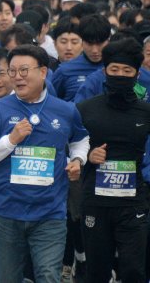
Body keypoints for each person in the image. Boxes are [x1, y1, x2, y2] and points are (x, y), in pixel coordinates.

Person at [0, 45, 89, 283]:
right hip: (6, 212)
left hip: (50, 212)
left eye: (24, 70)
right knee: (8, 278)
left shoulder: (65, 110)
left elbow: (80, 139)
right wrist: (11, 140)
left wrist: (78, 159)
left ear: (44, 72)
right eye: (12, 71)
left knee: (48, 276)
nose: (18, 77)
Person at [77, 39, 150, 283]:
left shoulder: (145, 112)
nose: (120, 75)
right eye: (114, 70)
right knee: (97, 272)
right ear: (104, 71)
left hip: (133, 204)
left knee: (133, 271)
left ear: (137, 74)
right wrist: (88, 156)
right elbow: (70, 147)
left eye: (127, 71)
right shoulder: (86, 109)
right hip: (95, 203)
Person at [51, 14, 111, 101]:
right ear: (82, 41)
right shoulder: (65, 71)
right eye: (89, 44)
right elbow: (52, 104)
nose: (94, 50)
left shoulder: (119, 68)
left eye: (99, 44)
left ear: (108, 41)